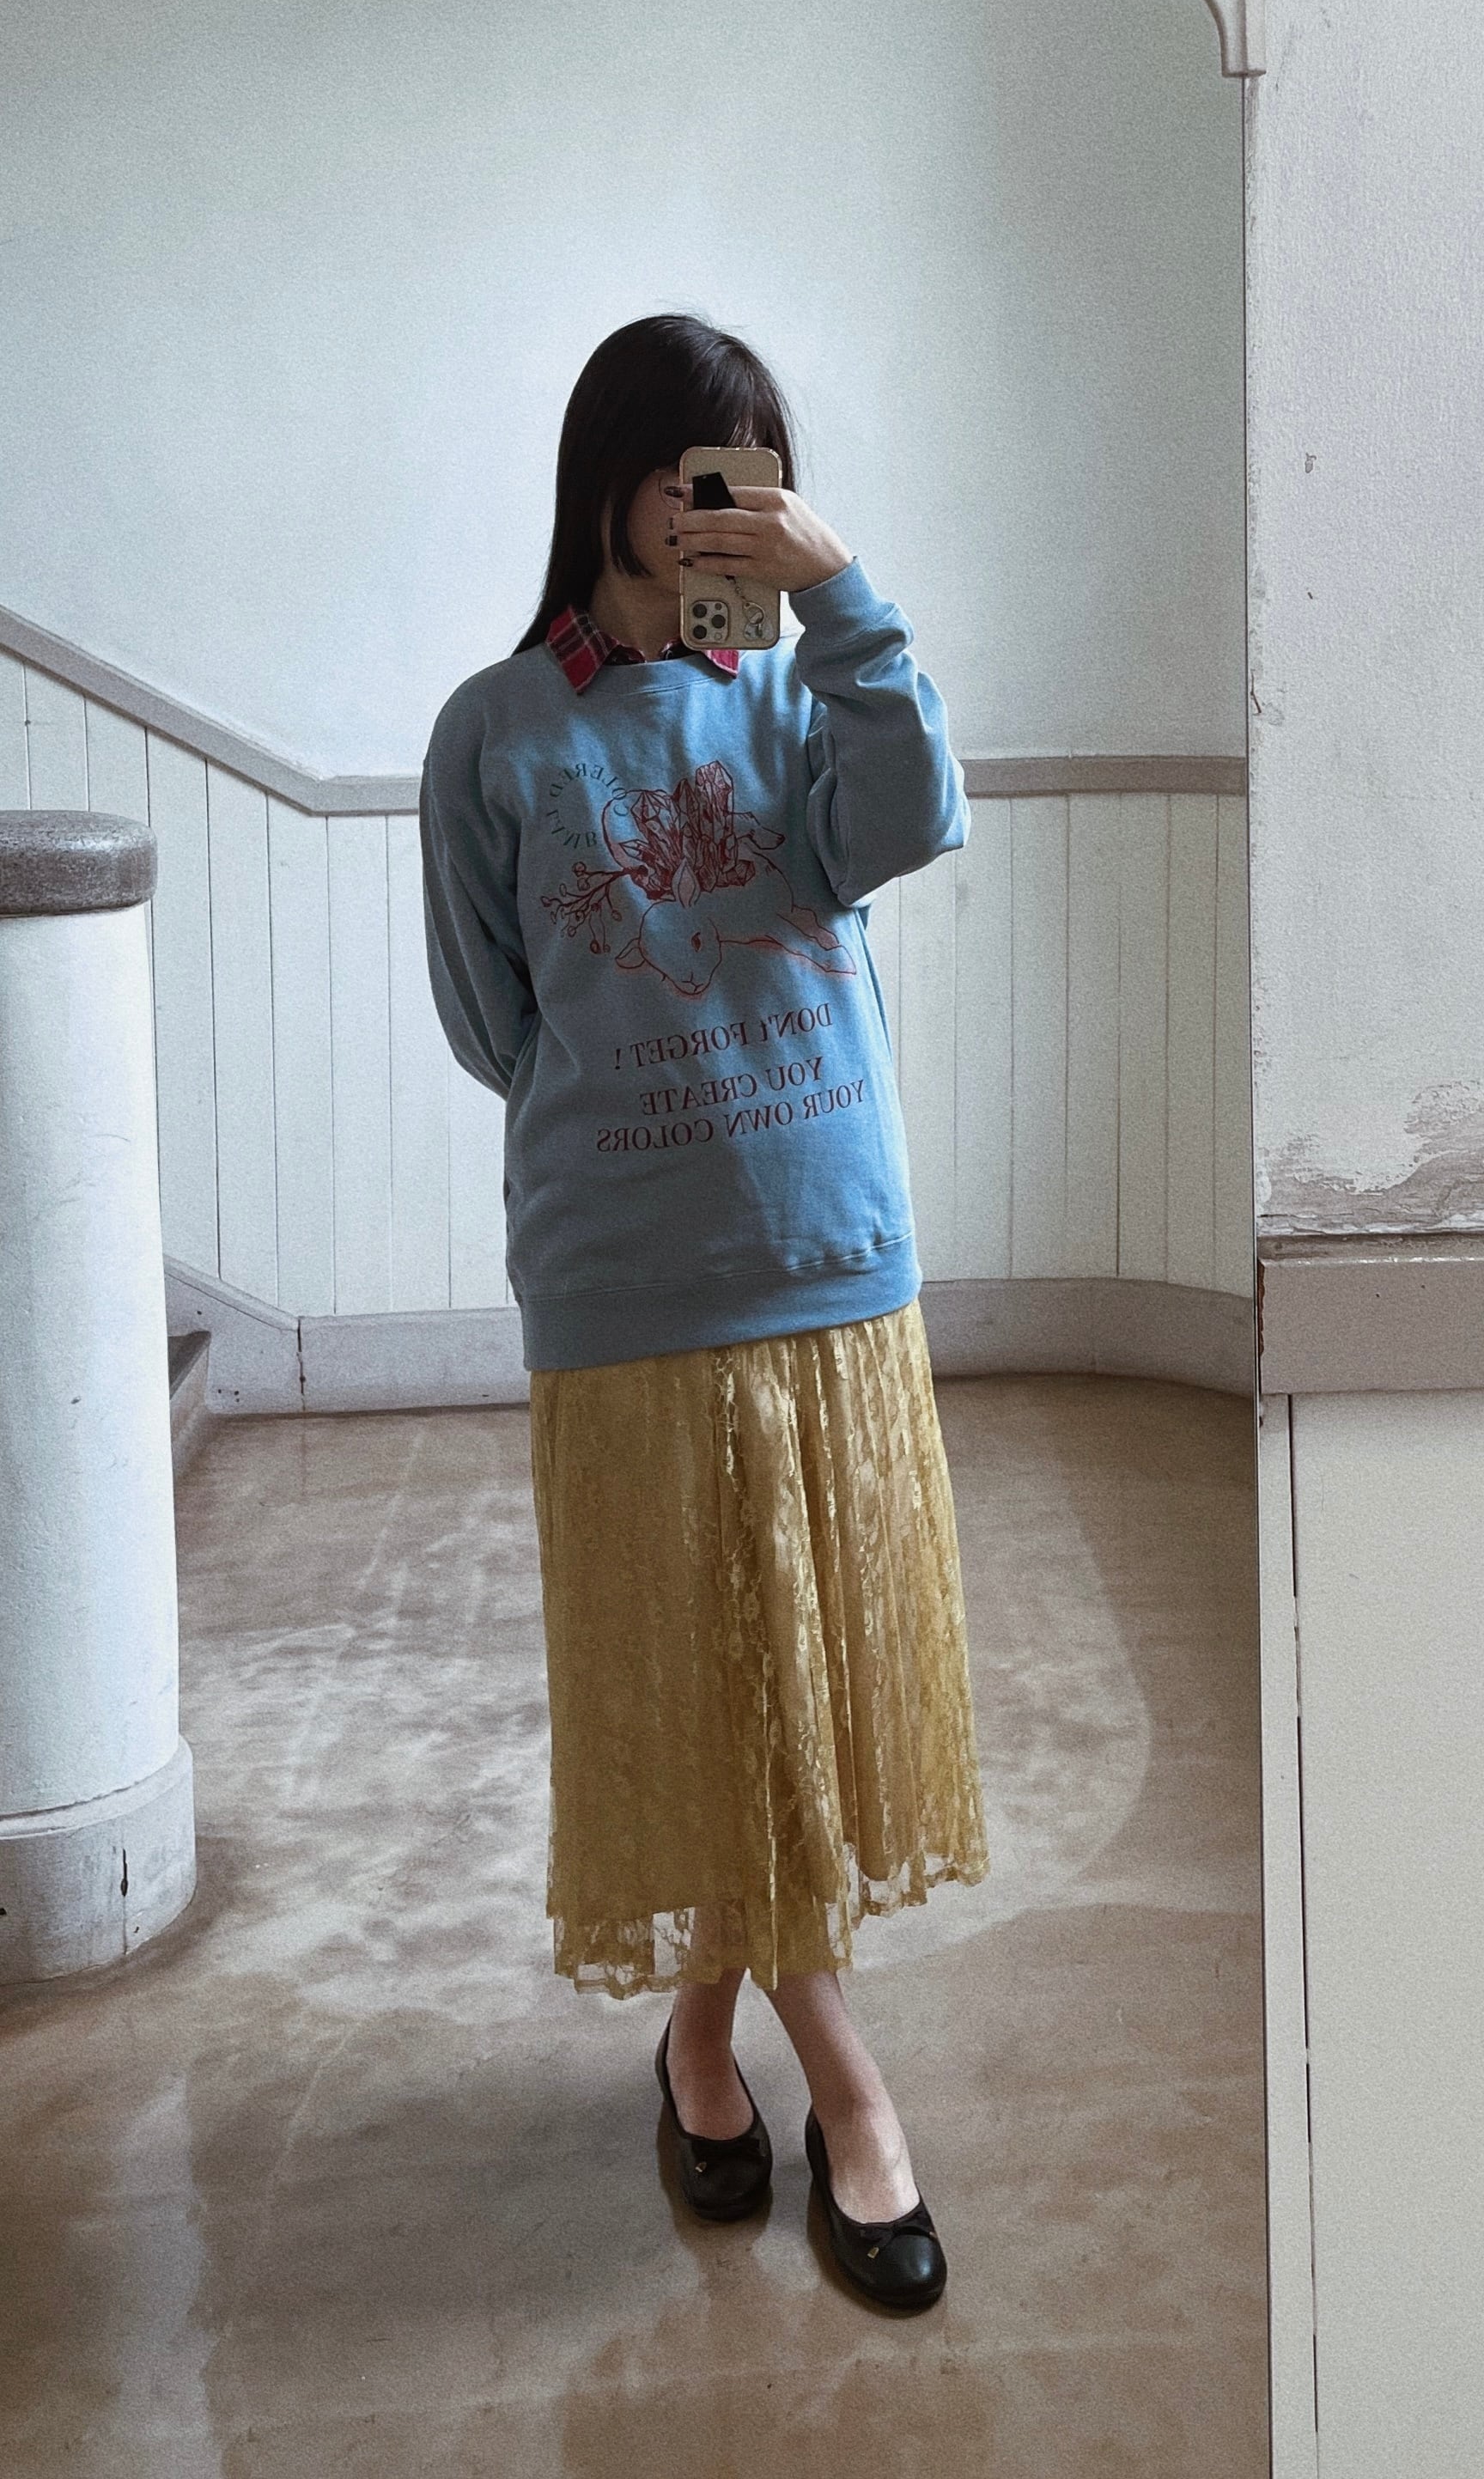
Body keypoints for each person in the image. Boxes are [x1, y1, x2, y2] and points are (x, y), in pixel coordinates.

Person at [420, 312, 989, 2310]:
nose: (730, 510)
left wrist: (847, 600)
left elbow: (910, 823)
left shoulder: (797, 698)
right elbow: (494, 1021)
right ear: (613, 483)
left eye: (760, 477)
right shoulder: (497, 730)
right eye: (699, 472)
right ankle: (851, 2085)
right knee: (704, 1682)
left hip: (832, 1258)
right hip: (629, 1286)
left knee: (799, 1695)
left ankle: (700, 2044)